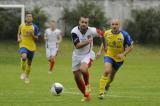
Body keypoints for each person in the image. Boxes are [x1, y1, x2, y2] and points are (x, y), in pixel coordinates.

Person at [96, 19, 134, 99]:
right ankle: (101, 92)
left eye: (116, 24)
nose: (114, 26)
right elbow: (104, 43)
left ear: (119, 26)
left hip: (119, 59)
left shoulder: (124, 35)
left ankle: (107, 85)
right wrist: (100, 51)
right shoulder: (107, 33)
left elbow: (131, 46)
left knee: (112, 76)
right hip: (109, 55)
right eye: (113, 24)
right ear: (111, 25)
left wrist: (123, 54)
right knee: (107, 71)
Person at [71, 16, 104, 102]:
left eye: (86, 22)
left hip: (87, 55)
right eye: (82, 22)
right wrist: (88, 41)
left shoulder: (92, 30)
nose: (84, 24)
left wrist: (102, 49)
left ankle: (87, 84)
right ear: (79, 22)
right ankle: (86, 96)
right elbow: (77, 46)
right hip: (76, 56)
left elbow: (103, 35)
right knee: (77, 78)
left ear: (88, 24)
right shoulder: (74, 31)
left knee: (83, 68)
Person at [17, 11, 39, 84]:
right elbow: (19, 33)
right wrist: (18, 38)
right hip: (23, 45)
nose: (29, 18)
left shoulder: (35, 27)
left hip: (32, 47)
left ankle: (27, 76)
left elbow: (36, 38)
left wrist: (32, 34)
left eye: (30, 16)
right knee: (23, 57)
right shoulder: (21, 25)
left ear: (32, 18)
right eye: (27, 16)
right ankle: (23, 72)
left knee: (29, 63)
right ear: (25, 18)